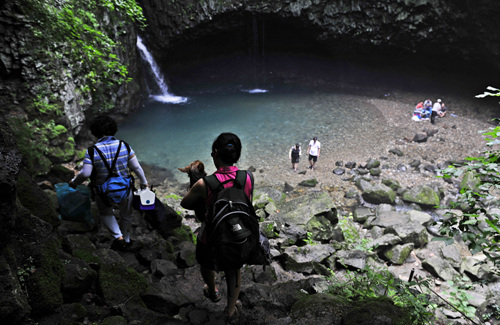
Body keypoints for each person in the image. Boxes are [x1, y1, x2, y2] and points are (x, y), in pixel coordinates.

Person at [180, 132, 252, 323]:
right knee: (234, 269)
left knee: (206, 263)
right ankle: (230, 310)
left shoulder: (205, 183)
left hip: (211, 236)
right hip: (239, 234)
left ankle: (212, 291)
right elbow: (246, 201)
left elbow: (185, 204)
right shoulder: (247, 177)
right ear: (237, 155)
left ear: (215, 154)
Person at [69, 114, 148, 250]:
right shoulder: (124, 146)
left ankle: (118, 237)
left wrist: (74, 182)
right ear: (114, 129)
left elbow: (86, 173)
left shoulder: (92, 151)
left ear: (95, 132)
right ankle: (127, 239)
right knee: (126, 214)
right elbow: (136, 168)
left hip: (103, 191)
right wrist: (144, 183)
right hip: (125, 188)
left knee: (106, 213)